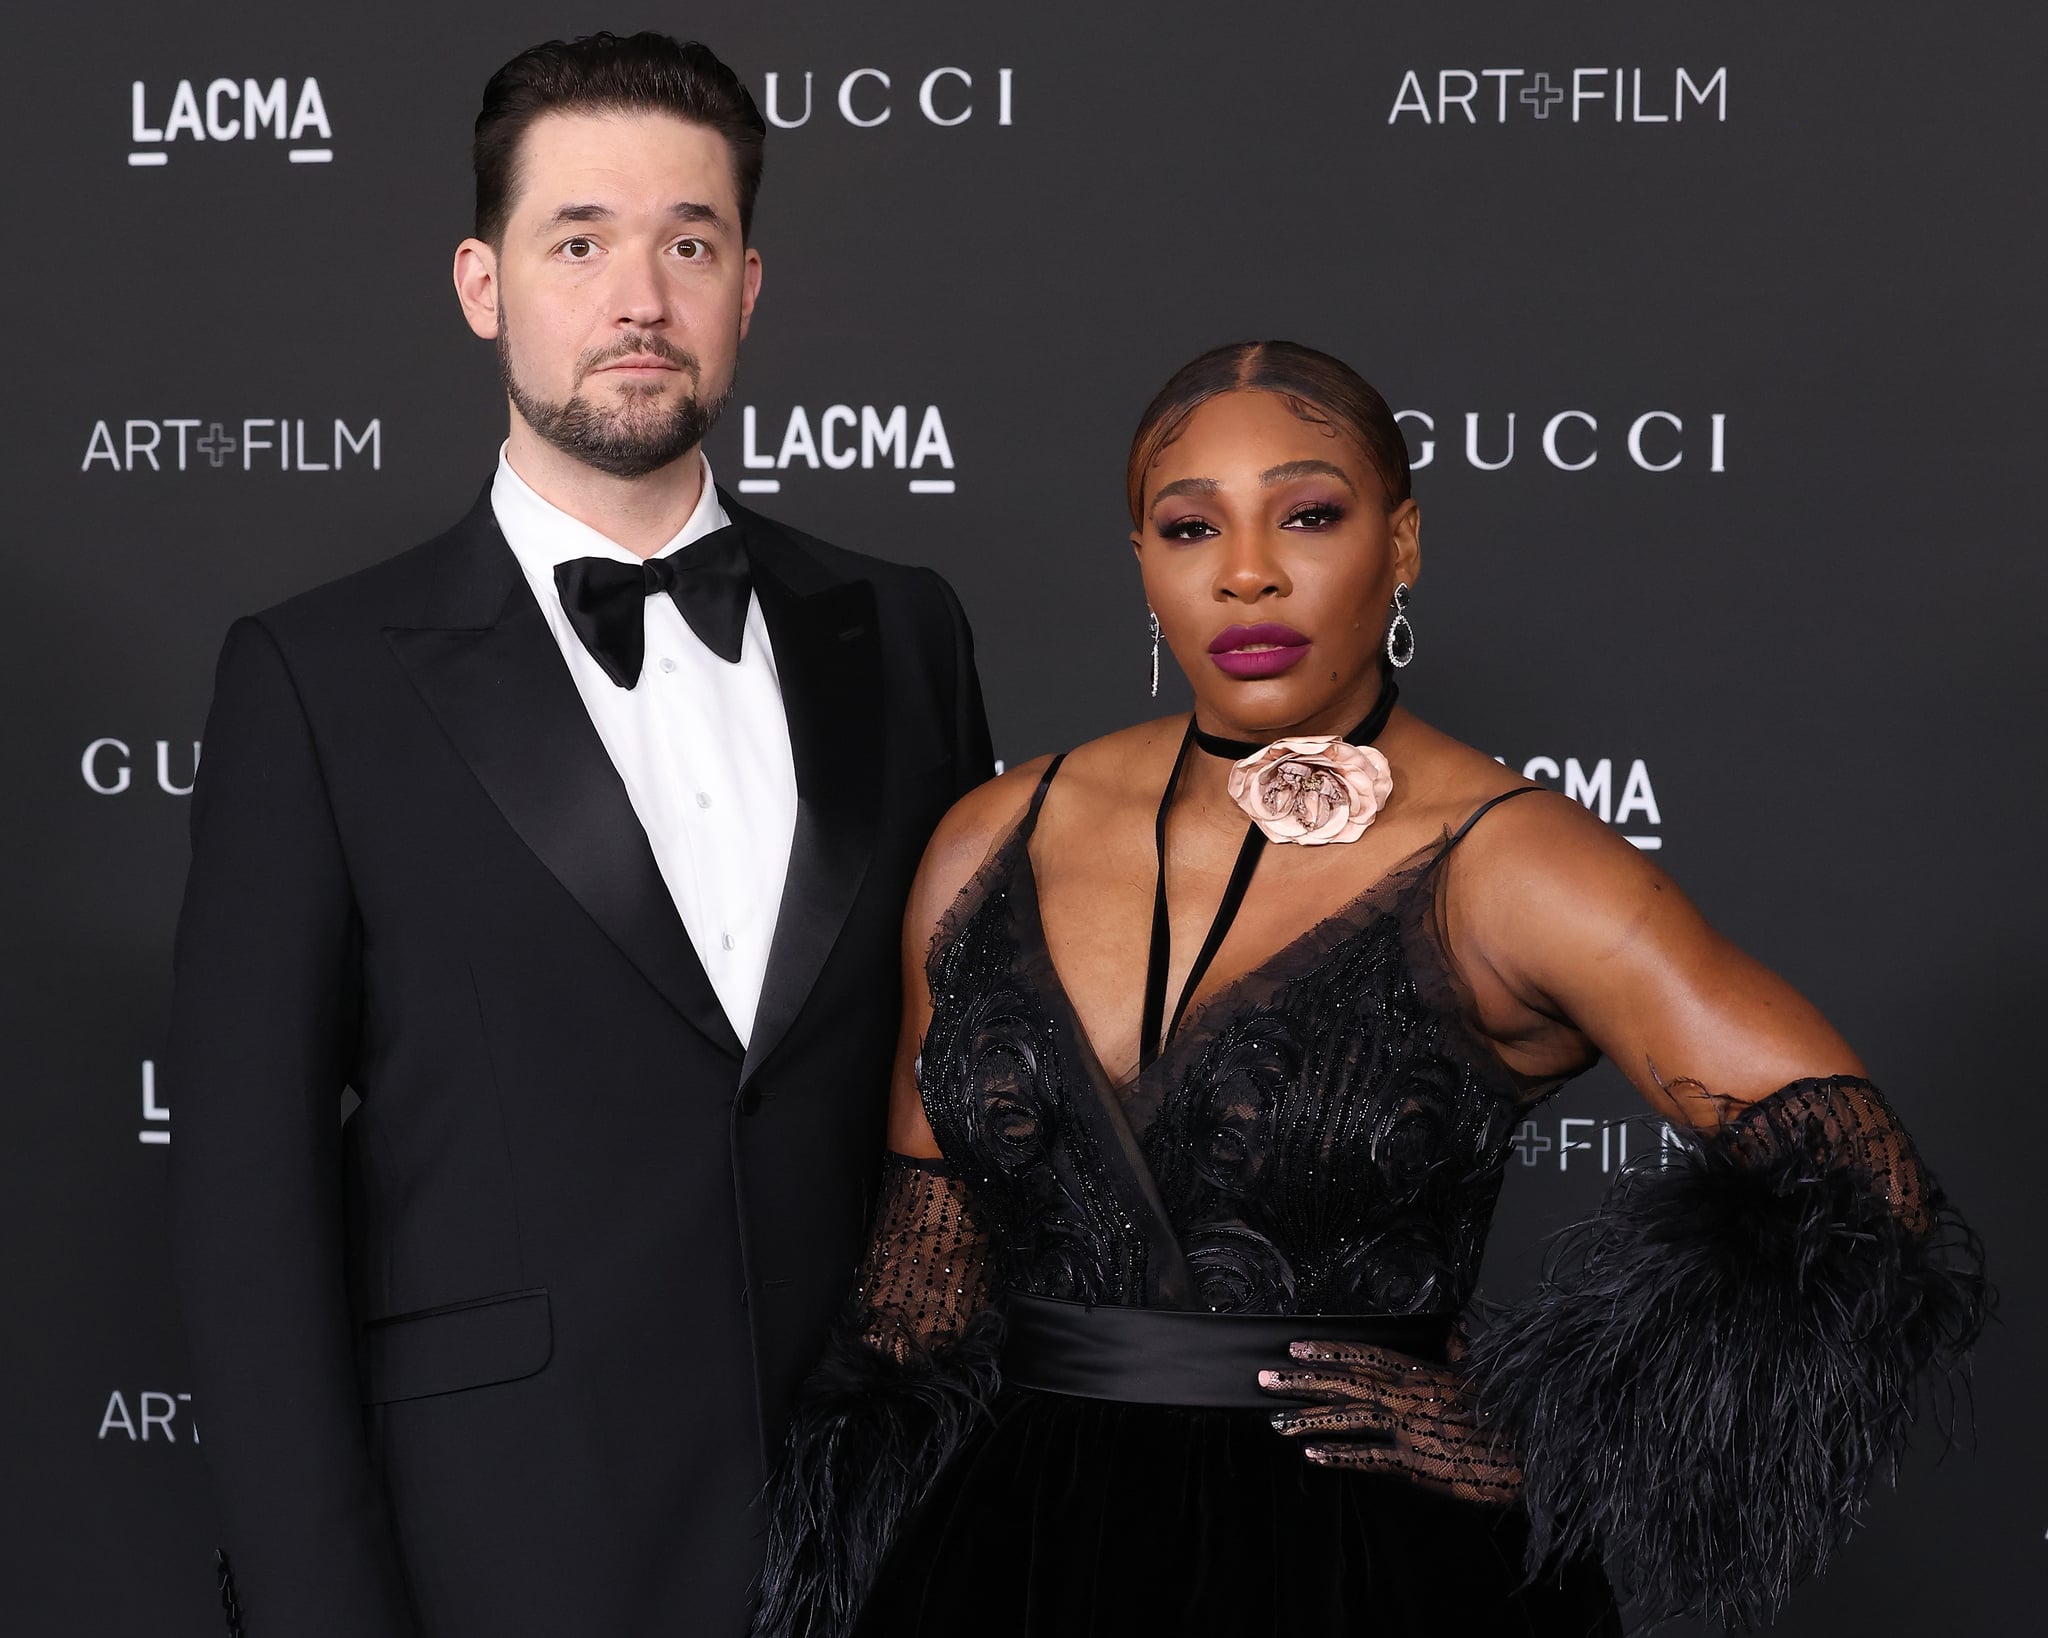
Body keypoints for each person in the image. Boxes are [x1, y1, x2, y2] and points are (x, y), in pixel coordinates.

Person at [755, 341, 1989, 1637]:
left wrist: (1551, 1430)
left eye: (1309, 513)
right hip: (1012, 1560)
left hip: (1365, 1568)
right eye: (1192, 525)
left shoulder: (1509, 861)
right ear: (1141, 562)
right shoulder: (991, 838)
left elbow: (1865, 1185)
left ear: (1400, 542)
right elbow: (918, 1296)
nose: (1248, 569)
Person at [165, 32, 990, 1638]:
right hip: (504, 1544)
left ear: (750, 284)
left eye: (689, 242)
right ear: (482, 283)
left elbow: (967, 1083)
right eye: (580, 239)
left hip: (889, 1542)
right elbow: (245, 1209)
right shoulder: (317, 676)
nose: (640, 295)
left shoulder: (905, 631)